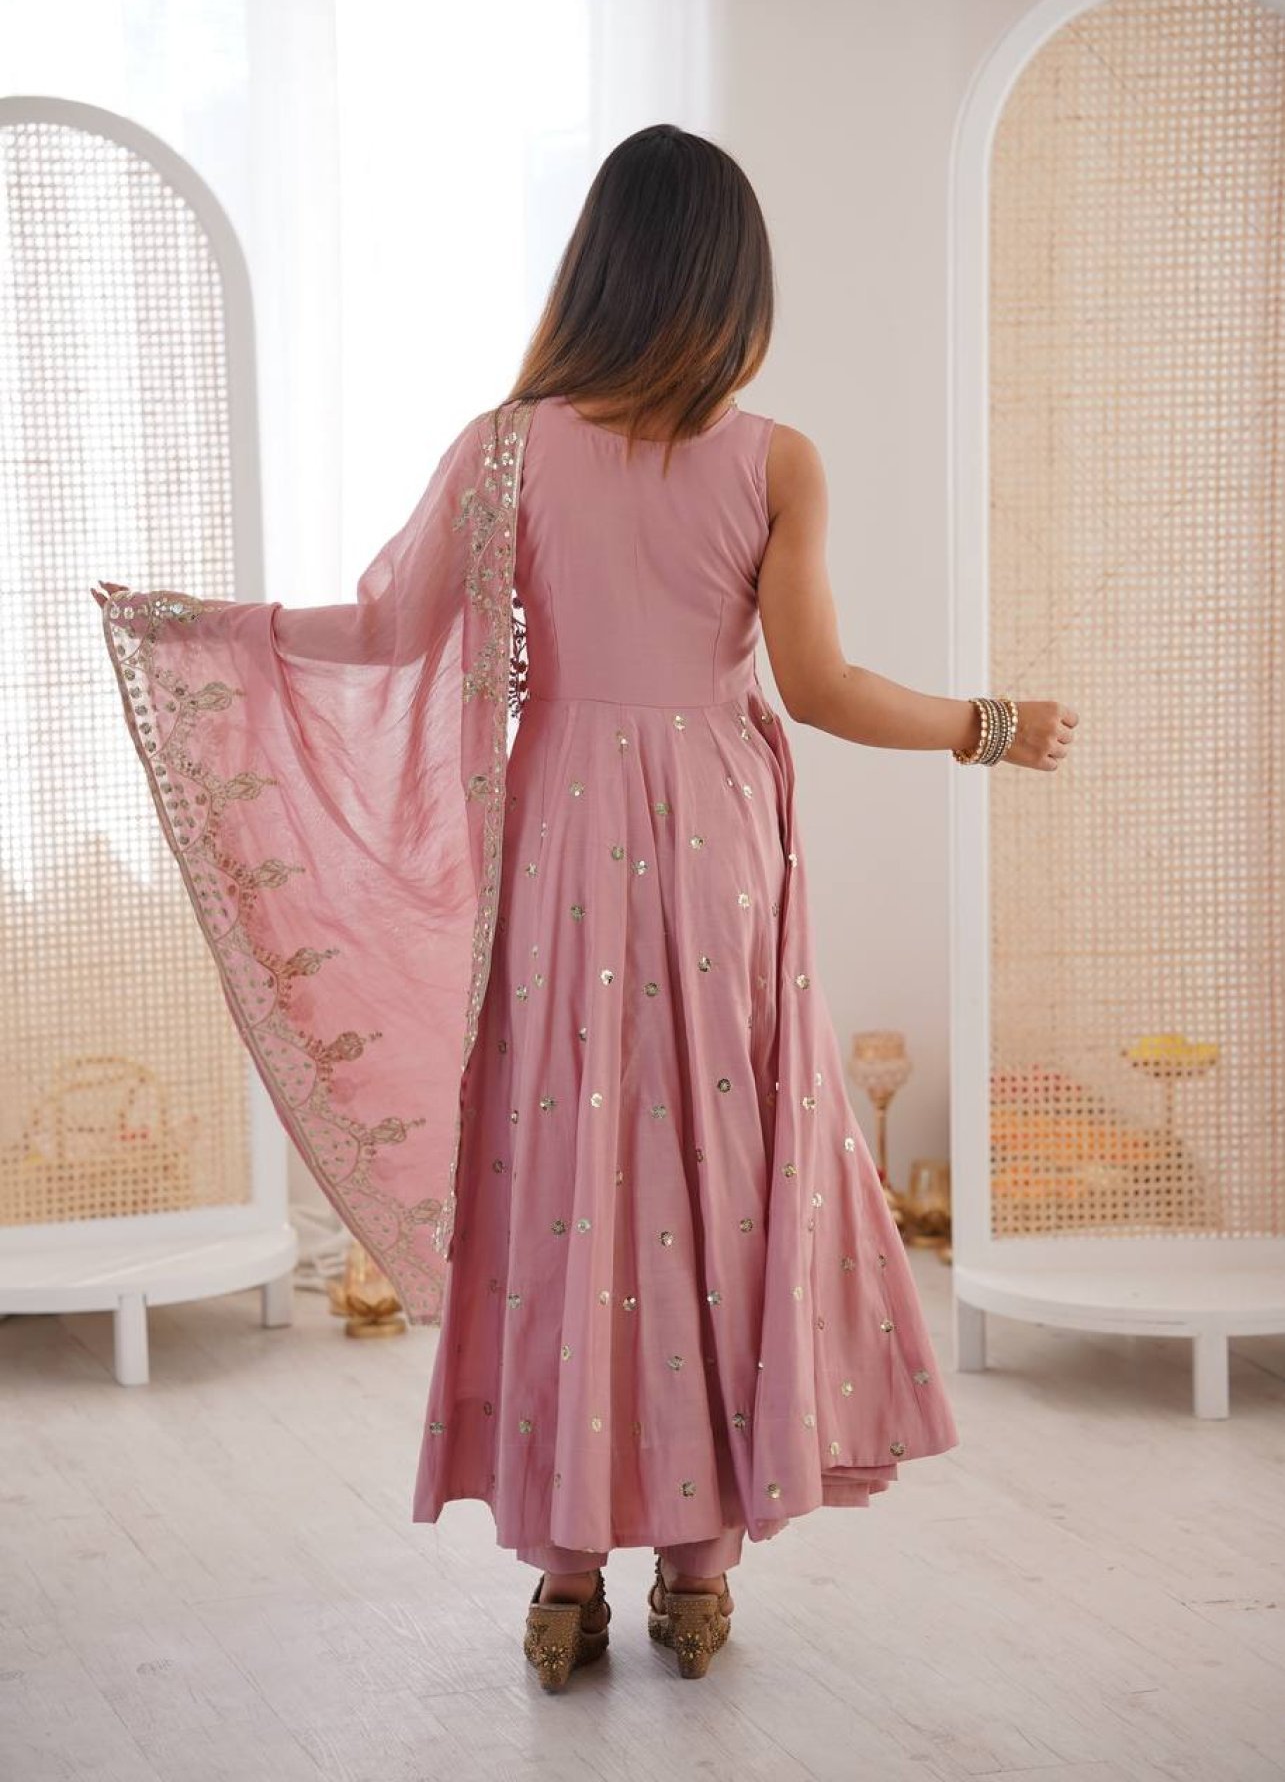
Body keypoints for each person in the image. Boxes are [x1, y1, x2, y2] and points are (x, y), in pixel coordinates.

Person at [94, 122, 1076, 1692]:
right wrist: (988, 724)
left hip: (559, 837)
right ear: (732, 284)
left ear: (596, 271)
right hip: (718, 849)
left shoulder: (506, 449)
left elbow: (386, 630)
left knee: (570, 1173)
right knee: (715, 1175)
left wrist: (203, 630)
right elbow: (819, 686)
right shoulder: (774, 458)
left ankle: (565, 1575)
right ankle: (700, 1566)